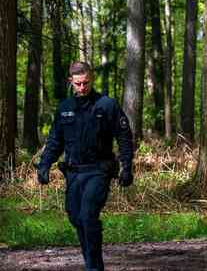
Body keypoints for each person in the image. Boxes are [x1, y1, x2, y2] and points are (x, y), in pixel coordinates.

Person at [37, 62, 134, 271]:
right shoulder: (65, 109)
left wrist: (127, 167)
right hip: (73, 173)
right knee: (75, 216)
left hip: (99, 170)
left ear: (92, 79)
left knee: (88, 215)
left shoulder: (106, 105)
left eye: (86, 83)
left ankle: (93, 267)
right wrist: (44, 165)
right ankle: (93, 262)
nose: (82, 88)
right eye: (78, 84)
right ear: (71, 81)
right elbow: (55, 140)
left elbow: (124, 136)